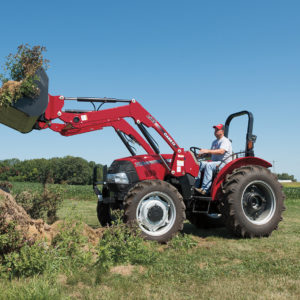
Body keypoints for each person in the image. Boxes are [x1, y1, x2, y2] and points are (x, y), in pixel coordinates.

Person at [195, 124, 232, 195]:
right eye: (215, 130)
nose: (215, 131)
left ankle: (205, 189)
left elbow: (221, 151)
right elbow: (212, 153)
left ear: (222, 131)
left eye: (217, 130)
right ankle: (196, 185)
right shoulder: (214, 142)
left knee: (209, 165)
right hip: (215, 162)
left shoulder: (225, 141)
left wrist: (207, 150)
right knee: (200, 164)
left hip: (224, 163)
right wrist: (202, 155)